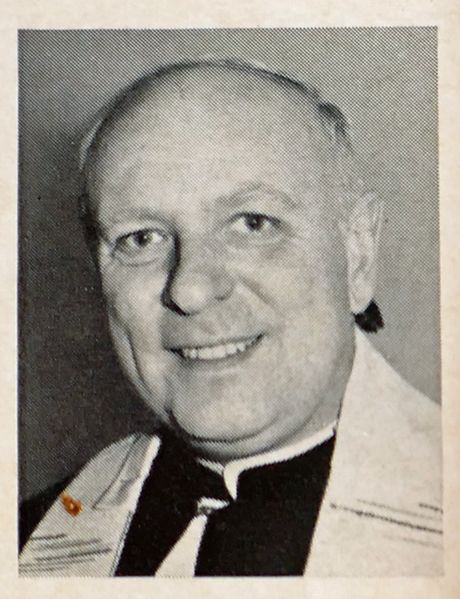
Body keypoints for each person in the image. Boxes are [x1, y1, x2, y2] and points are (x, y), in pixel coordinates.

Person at [19, 59, 442, 577]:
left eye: (253, 223)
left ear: (357, 253)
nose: (191, 289)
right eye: (142, 238)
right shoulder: (28, 539)